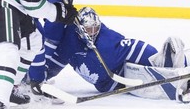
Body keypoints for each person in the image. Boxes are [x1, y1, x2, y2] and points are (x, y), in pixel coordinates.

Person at [27, 7, 190, 103]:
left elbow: (136, 47)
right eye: (88, 30)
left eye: (94, 29)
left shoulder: (107, 41)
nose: (92, 33)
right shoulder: (69, 41)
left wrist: (156, 60)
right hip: (107, 86)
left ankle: (180, 67)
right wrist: (41, 78)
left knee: (169, 50)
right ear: (79, 29)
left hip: (124, 76)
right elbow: (56, 62)